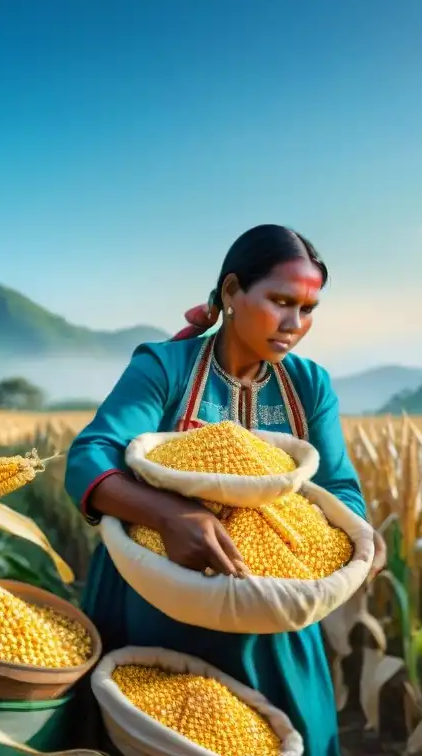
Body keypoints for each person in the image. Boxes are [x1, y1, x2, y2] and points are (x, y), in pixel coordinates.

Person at [65, 224, 373, 755]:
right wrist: (166, 515)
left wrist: (350, 543)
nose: (294, 324)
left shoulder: (309, 384)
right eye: (279, 301)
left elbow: (339, 487)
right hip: (160, 596)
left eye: (307, 309)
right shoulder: (167, 366)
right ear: (231, 291)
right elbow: (91, 455)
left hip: (275, 606)